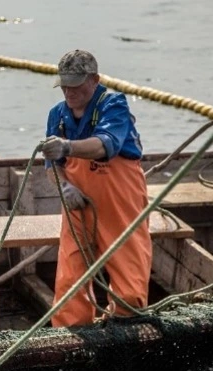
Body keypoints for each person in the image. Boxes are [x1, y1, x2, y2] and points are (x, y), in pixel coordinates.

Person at [37, 49, 152, 327]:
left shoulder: (113, 104)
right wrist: (64, 186)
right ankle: (71, 328)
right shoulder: (58, 115)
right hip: (76, 200)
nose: (68, 90)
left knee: (126, 262)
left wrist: (66, 146)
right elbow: (53, 165)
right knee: (70, 268)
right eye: (64, 84)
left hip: (118, 198)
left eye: (75, 83)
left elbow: (105, 144)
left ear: (94, 79)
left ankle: (126, 321)